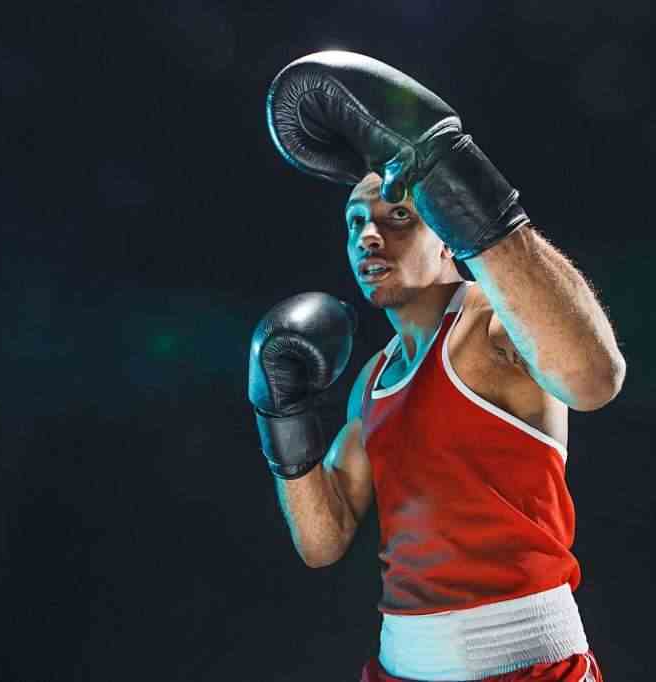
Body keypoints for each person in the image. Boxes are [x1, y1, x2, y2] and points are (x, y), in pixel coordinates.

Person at [249, 51, 625, 682]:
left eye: (398, 216)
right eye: (356, 223)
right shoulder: (374, 379)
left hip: (527, 666)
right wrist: (279, 414)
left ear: (447, 232)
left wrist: (449, 168)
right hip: (400, 667)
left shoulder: (496, 323)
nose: (370, 236)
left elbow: (595, 377)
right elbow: (323, 540)